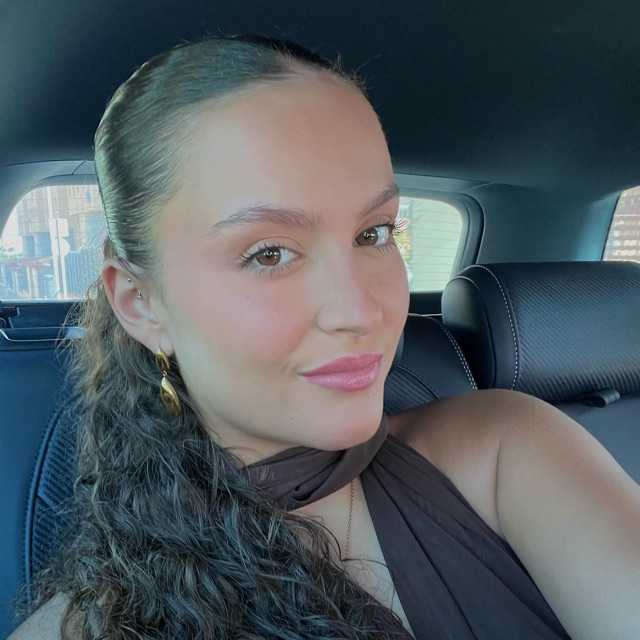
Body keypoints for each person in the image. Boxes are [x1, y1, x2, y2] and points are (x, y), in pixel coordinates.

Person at [10, 34, 640, 640]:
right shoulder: (98, 622)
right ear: (140, 303)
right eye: (268, 253)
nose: (361, 311)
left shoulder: (507, 450)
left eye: (374, 234)